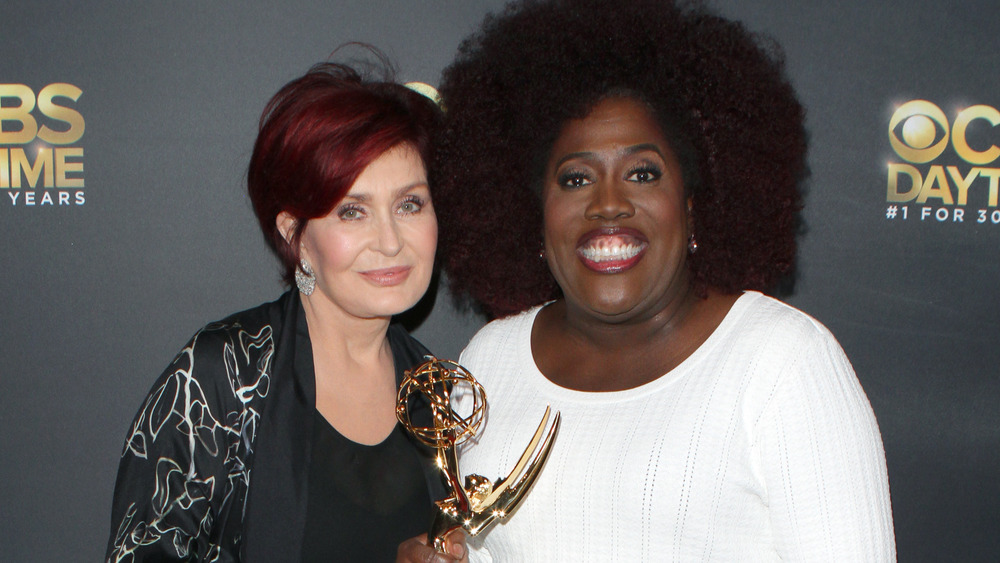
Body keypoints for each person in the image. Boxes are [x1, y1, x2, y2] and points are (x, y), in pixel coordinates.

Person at [413, 0, 896, 560]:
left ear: (694, 206)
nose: (609, 204)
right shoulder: (490, 361)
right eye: (575, 179)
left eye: (643, 173)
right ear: (533, 213)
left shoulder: (784, 364)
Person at [106, 58, 446, 561]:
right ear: (295, 235)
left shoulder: (437, 390)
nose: (391, 241)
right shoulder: (220, 376)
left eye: (410, 204)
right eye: (352, 211)